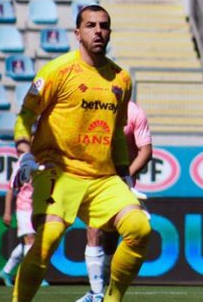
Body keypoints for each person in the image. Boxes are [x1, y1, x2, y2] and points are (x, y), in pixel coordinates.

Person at [11, 5, 151, 302]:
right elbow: (25, 116)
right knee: (46, 241)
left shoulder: (121, 79)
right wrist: (24, 152)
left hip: (102, 177)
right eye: (90, 25)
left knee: (139, 228)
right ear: (78, 33)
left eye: (104, 25)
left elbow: (116, 133)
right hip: (58, 171)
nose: (98, 31)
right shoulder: (57, 71)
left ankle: (111, 299)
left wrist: (124, 173)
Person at [76, 101, 154, 302]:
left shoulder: (134, 112)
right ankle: (96, 293)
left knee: (110, 241)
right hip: (96, 180)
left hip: (121, 183)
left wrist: (125, 176)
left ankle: (106, 291)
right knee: (94, 230)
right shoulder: (91, 107)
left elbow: (146, 152)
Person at [0, 163, 49, 288]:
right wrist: (7, 212)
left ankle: (6, 271)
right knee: (30, 240)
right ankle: (32, 278)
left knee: (30, 243)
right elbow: (10, 189)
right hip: (24, 209)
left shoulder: (46, 163)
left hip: (39, 208)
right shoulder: (22, 165)